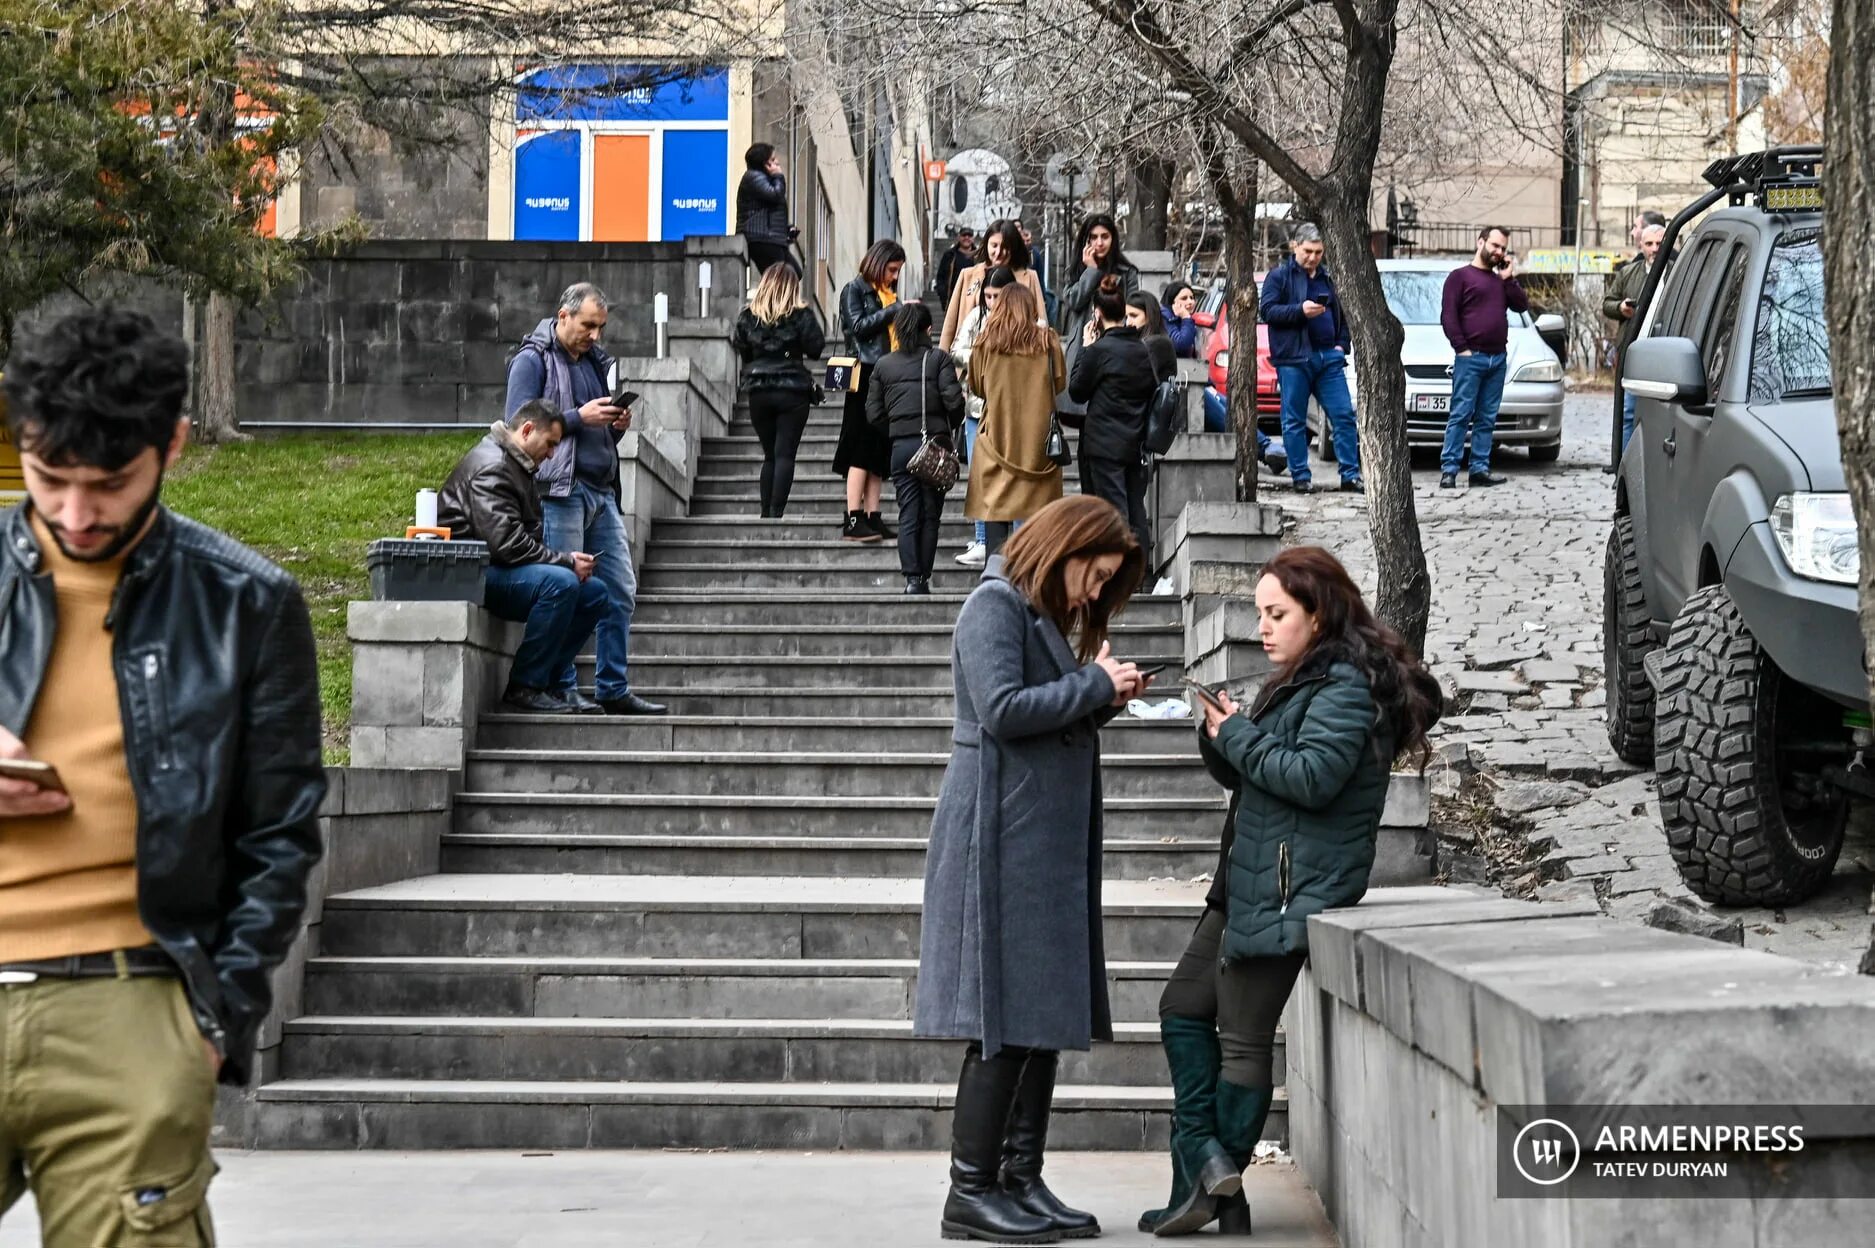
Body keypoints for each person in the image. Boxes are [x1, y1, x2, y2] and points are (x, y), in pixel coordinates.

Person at [0, 307, 326, 1246]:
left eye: (107, 485)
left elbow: (279, 833)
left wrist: (211, 1022)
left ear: (172, 444)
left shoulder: (246, 603)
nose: (74, 514)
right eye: (49, 479)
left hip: (132, 1008)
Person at [1143, 545, 1441, 1237]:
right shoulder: (1304, 678)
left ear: (1320, 612)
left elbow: (1310, 778)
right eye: (1259, 613)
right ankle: (1210, 1169)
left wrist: (1241, 733)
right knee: (1182, 1007)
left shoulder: (1346, 687)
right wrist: (1220, 735)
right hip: (1249, 878)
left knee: (1241, 1039)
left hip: (1291, 885)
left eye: (1277, 613)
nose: (1264, 627)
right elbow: (1252, 774)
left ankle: (1213, 1175)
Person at [915, 495, 1152, 1244]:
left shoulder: (1035, 616)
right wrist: (1092, 685)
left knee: (1039, 1017)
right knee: (1002, 1020)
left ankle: (1020, 1177)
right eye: (1094, 574)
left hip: (1034, 839)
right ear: (1063, 548)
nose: (1091, 594)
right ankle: (972, 1190)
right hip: (998, 831)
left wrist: (1104, 697)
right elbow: (1003, 709)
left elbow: (1041, 713)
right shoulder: (994, 606)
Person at [505, 282, 665, 715]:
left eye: (600, 327)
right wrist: (580, 417)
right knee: (571, 588)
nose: (595, 335)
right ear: (563, 316)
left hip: (600, 492)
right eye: (588, 325)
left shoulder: (594, 361)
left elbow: (589, 425)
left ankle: (613, 685)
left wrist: (612, 425)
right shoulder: (532, 359)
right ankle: (561, 685)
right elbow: (519, 427)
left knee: (620, 590)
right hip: (560, 491)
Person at [437, 401, 610, 714]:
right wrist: (567, 561)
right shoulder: (492, 466)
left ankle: (553, 682)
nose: (552, 453)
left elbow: (519, 541)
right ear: (527, 430)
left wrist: (565, 563)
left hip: (496, 568)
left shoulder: (515, 465)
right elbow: (506, 545)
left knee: (595, 593)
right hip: (472, 575)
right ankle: (525, 686)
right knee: (561, 583)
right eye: (550, 444)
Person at [868, 302, 966, 594]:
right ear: (929, 329)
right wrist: (948, 425)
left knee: (908, 512)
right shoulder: (938, 360)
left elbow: (873, 413)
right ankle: (924, 576)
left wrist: (897, 430)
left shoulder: (883, 365)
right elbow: (954, 403)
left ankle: (912, 579)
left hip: (901, 448)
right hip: (933, 447)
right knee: (931, 515)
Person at [963, 283, 1067, 556]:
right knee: (1036, 539)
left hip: (996, 442)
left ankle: (995, 587)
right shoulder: (1049, 341)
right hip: (1038, 449)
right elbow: (1059, 383)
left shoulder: (986, 342)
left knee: (995, 531)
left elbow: (976, 386)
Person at [1260, 223, 1363, 494]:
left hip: (1328, 358)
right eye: (1308, 251)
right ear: (1295, 246)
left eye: (1318, 251)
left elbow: (1343, 315)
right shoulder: (1279, 277)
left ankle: (1350, 475)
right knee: (1293, 420)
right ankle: (1301, 476)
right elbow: (1268, 311)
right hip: (1294, 358)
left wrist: (1341, 346)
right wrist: (1300, 311)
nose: (1313, 257)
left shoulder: (1329, 278)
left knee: (1343, 415)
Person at [1070, 276, 1159, 560]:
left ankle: (1118, 570)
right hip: (1134, 441)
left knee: (1112, 508)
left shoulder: (1098, 351)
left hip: (1102, 443)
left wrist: (1085, 347)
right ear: (1123, 313)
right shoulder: (1142, 350)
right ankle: (1138, 569)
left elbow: (1076, 391)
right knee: (1135, 507)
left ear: (1097, 314)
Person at [1439, 226, 1530, 489]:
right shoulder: (1460, 277)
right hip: (1471, 358)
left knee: (1487, 417)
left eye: (1503, 248)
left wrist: (1509, 278)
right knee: (1460, 414)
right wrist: (1462, 349)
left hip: (1497, 359)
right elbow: (1448, 317)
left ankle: (1479, 469)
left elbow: (1521, 305)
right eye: (1495, 245)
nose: (1499, 252)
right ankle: (1450, 470)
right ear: (1480, 242)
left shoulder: (1501, 281)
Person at [733, 262, 827, 517]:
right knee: (785, 454)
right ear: (792, 288)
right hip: (793, 391)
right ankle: (776, 513)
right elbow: (817, 348)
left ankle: (765, 512)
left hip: (759, 391)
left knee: (769, 455)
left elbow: (742, 350)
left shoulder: (748, 317)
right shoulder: (801, 315)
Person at [835, 240, 907, 543]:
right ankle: (854, 517)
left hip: (886, 373)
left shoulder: (887, 295)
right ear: (879, 263)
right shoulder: (855, 289)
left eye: (897, 272)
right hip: (863, 374)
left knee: (878, 449)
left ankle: (873, 516)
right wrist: (893, 312)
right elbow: (858, 326)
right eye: (891, 270)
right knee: (860, 447)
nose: (893, 277)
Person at [950, 266, 1021, 568]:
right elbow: (956, 349)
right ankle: (982, 538)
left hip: (1011, 412)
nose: (992, 302)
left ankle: (1015, 541)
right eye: (988, 296)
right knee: (979, 475)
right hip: (977, 408)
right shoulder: (976, 317)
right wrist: (983, 355)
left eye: (997, 295)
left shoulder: (1024, 322)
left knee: (1013, 477)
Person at [1058, 214, 1139, 422]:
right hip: (1083, 348)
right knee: (1082, 416)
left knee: (1106, 413)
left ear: (1113, 239)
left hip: (1114, 346)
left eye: (1105, 236)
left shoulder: (1127, 272)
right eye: (1093, 237)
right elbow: (1074, 301)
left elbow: (1132, 309)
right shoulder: (1076, 269)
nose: (1099, 242)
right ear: (1086, 240)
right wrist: (1091, 271)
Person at [1604, 216, 1667, 457]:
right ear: (1641, 245)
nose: (1654, 249)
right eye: (1649, 244)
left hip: (1665, 352)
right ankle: (1623, 467)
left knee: (1664, 413)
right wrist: (1621, 308)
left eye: (1659, 243)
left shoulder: (1678, 271)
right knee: (1628, 411)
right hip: (1634, 351)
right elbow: (1608, 303)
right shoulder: (1628, 273)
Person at [940, 221, 1045, 351]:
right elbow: (950, 326)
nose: (998, 252)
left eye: (1005, 246)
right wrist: (943, 363)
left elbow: (1042, 326)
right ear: (986, 245)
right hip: (971, 363)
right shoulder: (968, 275)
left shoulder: (1029, 277)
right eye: (994, 245)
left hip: (1017, 360)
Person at [736, 143, 799, 276]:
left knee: (795, 273)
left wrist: (786, 231)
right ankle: (769, 296)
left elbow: (770, 210)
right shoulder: (753, 177)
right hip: (762, 238)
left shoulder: (763, 179)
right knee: (780, 278)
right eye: (772, 159)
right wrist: (778, 176)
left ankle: (773, 295)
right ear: (764, 163)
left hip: (772, 238)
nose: (777, 162)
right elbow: (775, 195)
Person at [1127, 290, 1179, 382]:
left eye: (1134, 316)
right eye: (1126, 317)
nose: (1128, 323)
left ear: (1149, 316)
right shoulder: (1139, 341)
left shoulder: (1156, 343)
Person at [934, 227, 977, 303]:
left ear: (973, 239)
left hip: (972, 299)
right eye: (964, 235)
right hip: (952, 298)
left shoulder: (979, 257)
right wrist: (943, 293)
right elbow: (940, 276)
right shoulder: (949, 255)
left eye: (969, 235)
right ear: (959, 237)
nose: (966, 237)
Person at [1161, 281, 1202, 358]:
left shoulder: (1185, 319)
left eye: (1192, 298)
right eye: (1184, 298)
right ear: (1173, 302)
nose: (1190, 302)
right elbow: (1182, 344)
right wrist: (1185, 317)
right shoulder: (1165, 318)